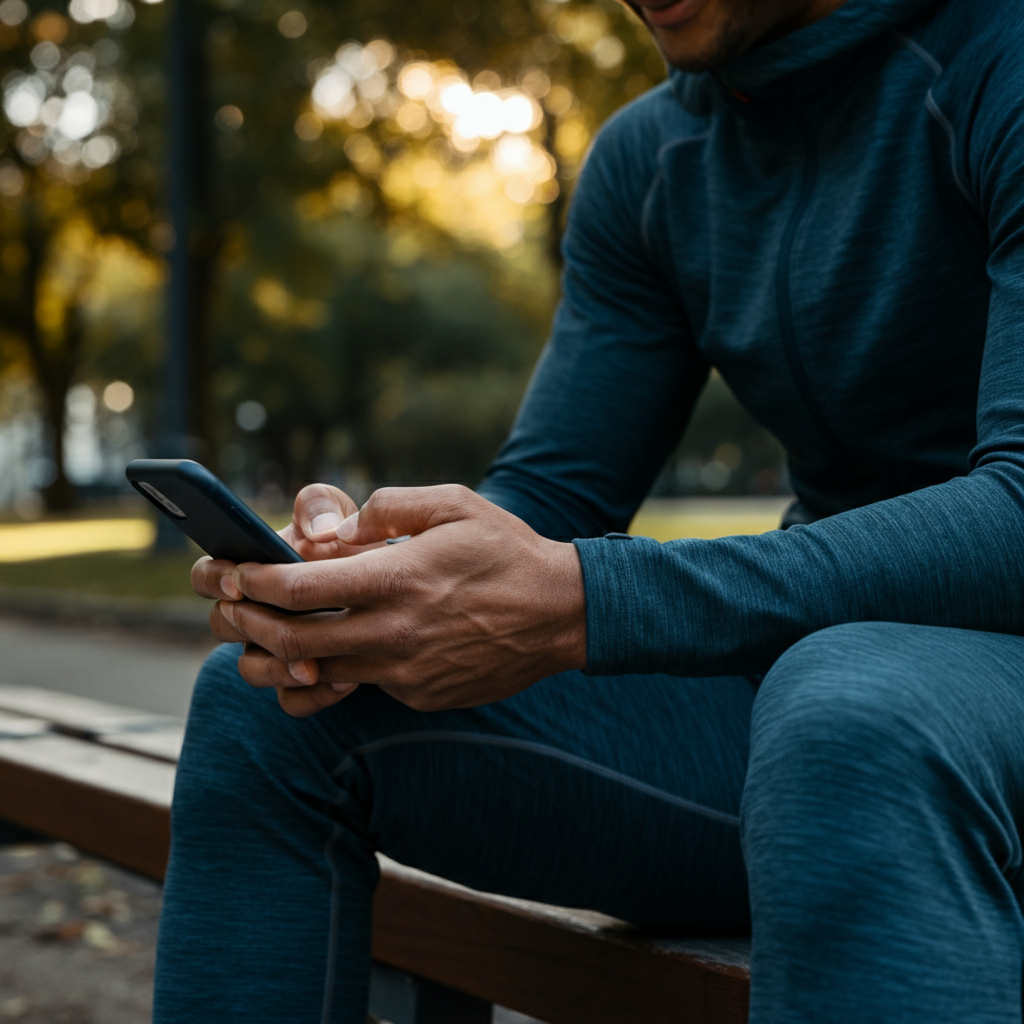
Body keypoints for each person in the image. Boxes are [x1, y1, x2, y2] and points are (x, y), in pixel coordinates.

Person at [153, 0, 1024, 1020]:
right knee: (276, 702)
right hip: (812, 742)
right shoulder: (651, 158)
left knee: (847, 709)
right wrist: (378, 574)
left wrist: (590, 597)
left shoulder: (993, 61)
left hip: (904, 721)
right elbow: (552, 502)